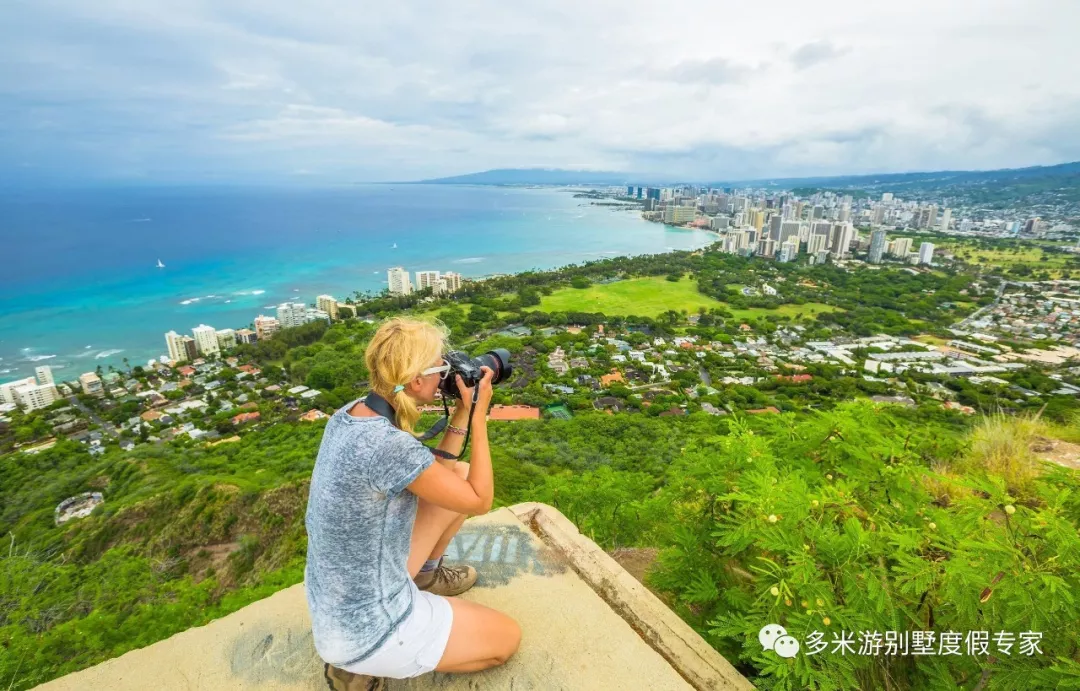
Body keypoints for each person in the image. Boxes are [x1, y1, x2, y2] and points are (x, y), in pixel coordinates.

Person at [305, 317, 522, 690]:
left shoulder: (352, 414)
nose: (447, 376)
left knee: (456, 475)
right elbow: (479, 500)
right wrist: (482, 414)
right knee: (506, 638)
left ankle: (424, 575)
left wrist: (462, 412)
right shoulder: (387, 446)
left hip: (335, 604)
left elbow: (435, 475)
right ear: (417, 380)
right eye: (441, 368)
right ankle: (362, 666)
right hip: (367, 628)